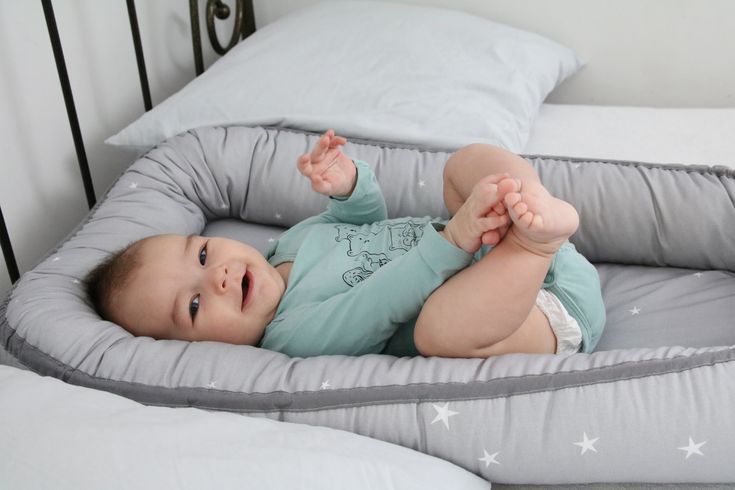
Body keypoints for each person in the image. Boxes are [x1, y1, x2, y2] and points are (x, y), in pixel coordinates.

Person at [85, 130, 605, 358]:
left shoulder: (289, 244)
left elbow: (360, 224)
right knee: (437, 331)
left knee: (461, 166)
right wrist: (455, 237)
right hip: (532, 311)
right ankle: (537, 243)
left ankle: (530, 198)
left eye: (202, 255)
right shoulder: (292, 335)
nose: (216, 276)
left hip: (496, 239)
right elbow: (377, 301)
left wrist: (348, 184)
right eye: (194, 304)